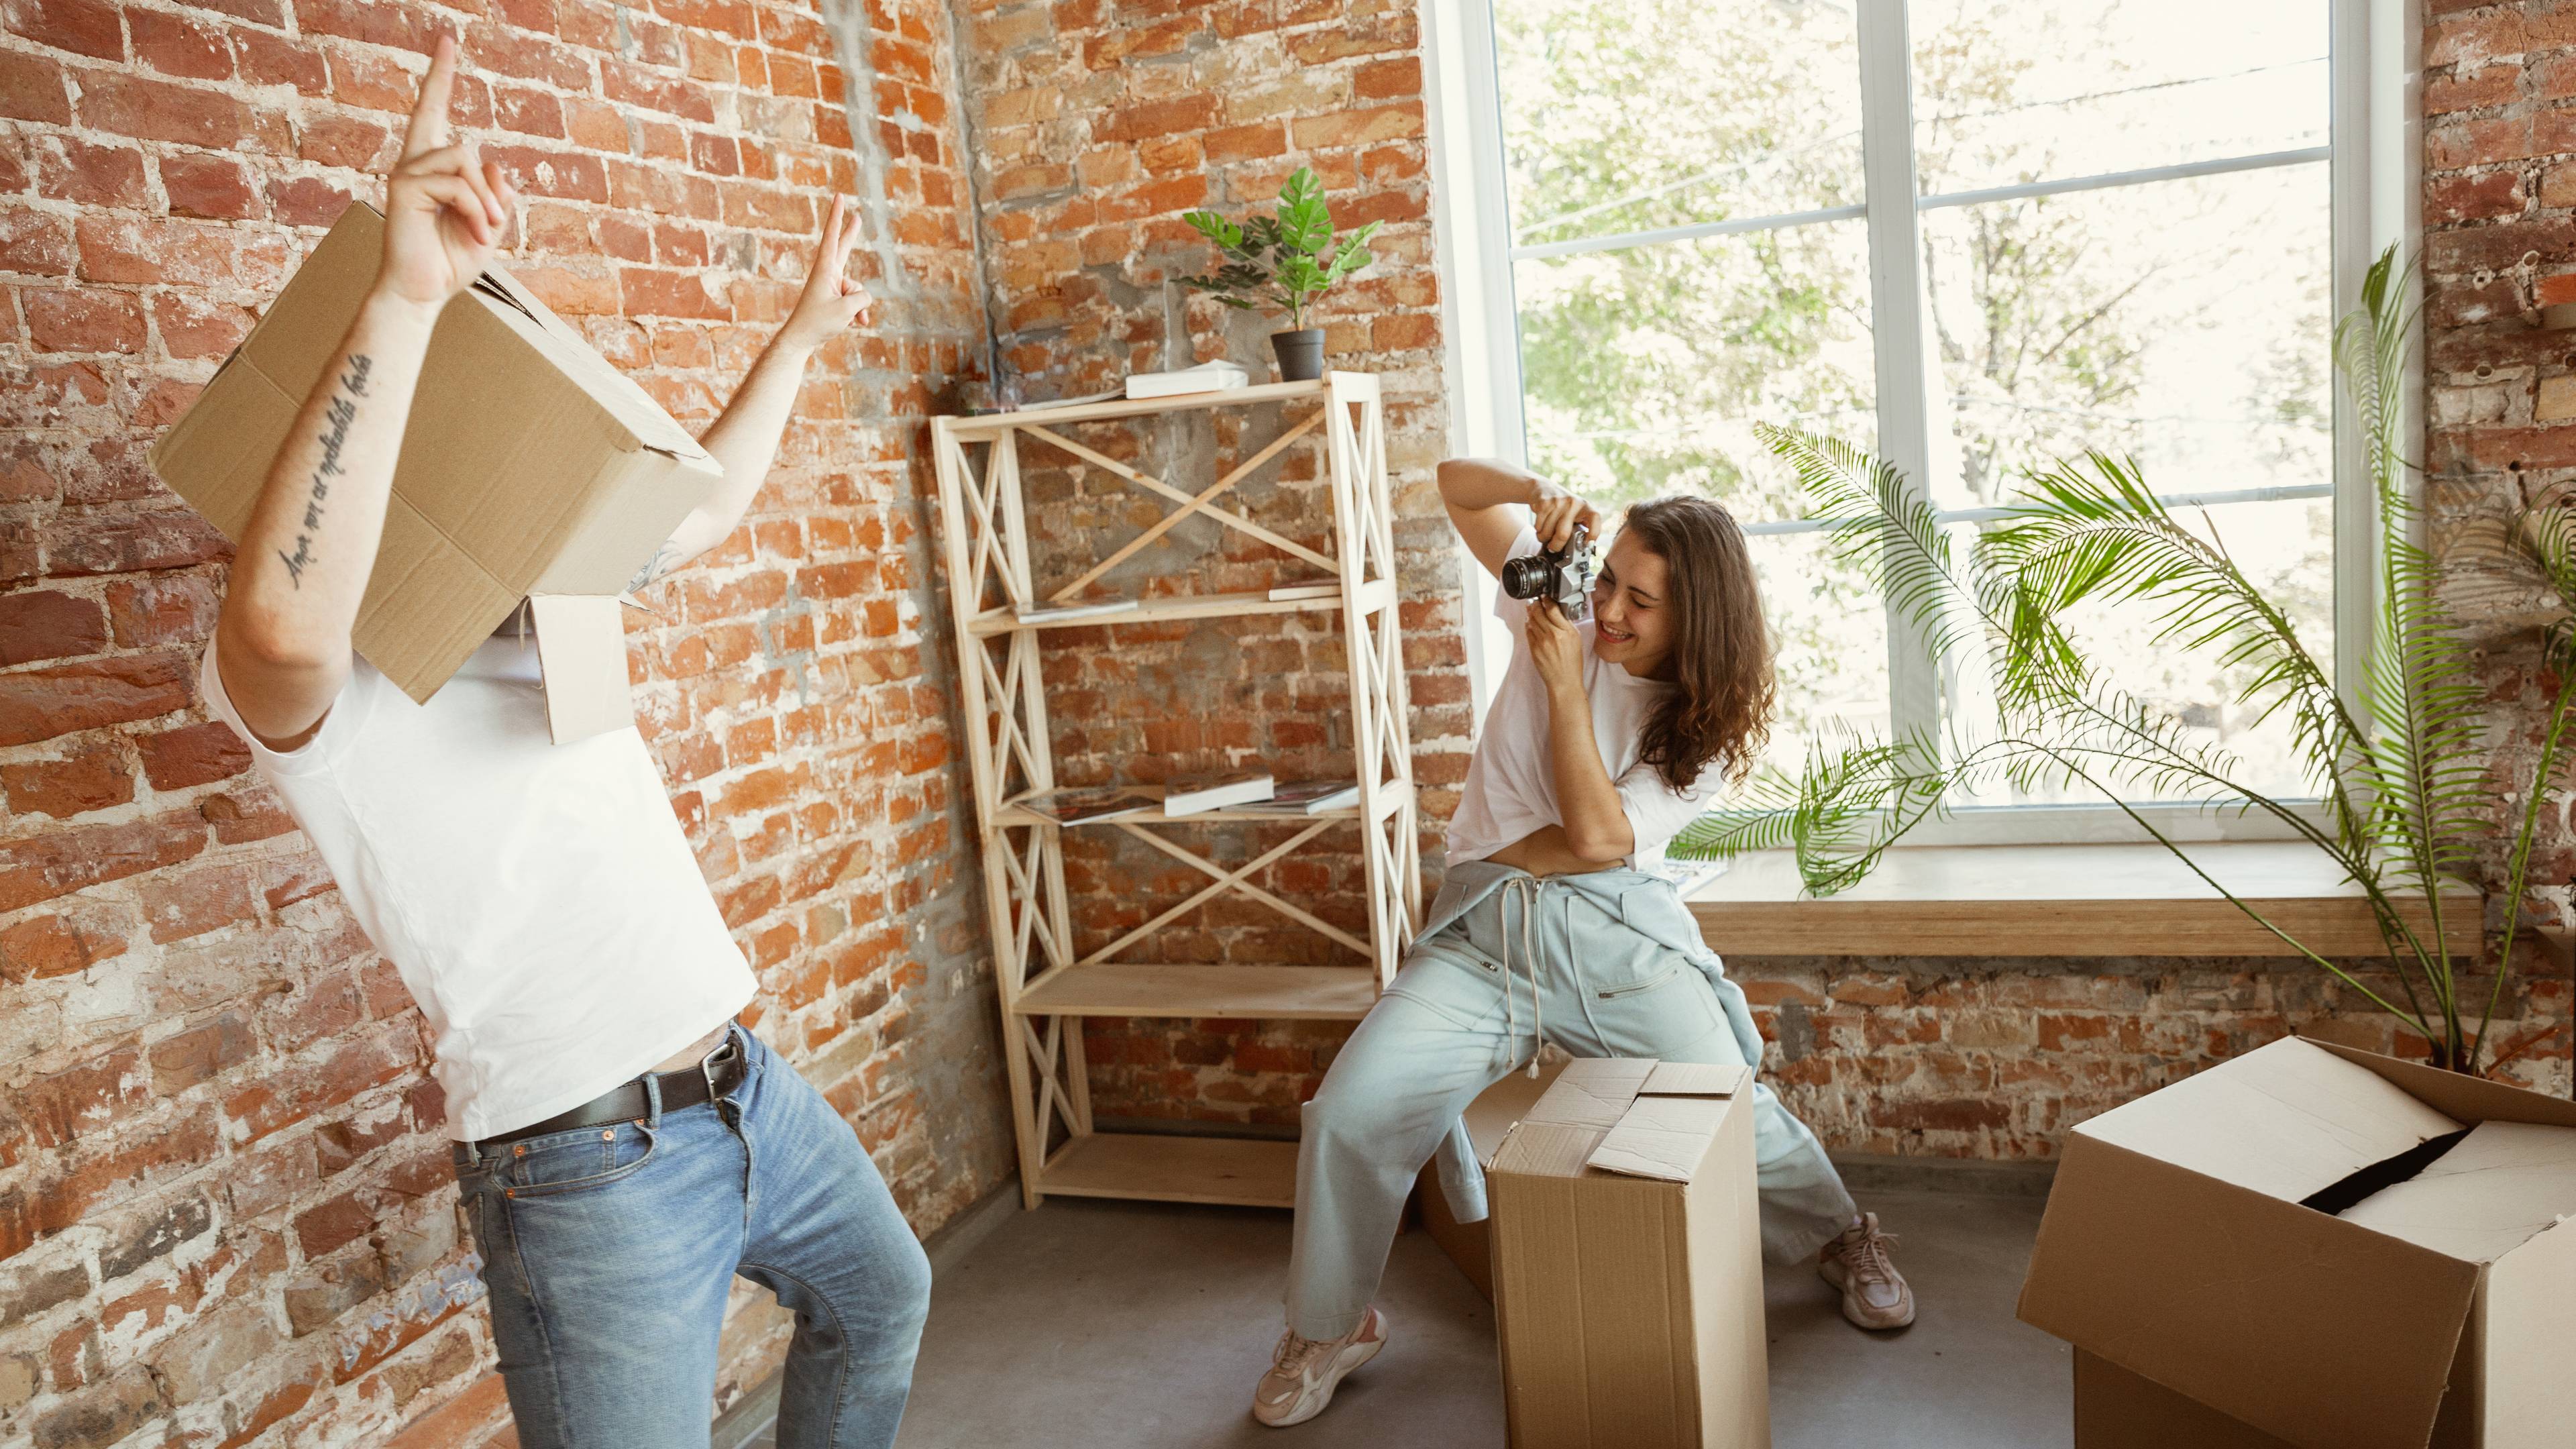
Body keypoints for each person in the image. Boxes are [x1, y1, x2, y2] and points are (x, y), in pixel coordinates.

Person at [197, 36, 930, 1449]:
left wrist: (796, 335)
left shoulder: (537, 589)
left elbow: (702, 511)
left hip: (743, 1091)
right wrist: (406, 299)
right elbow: (286, 623)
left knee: (881, 1295)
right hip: (586, 1168)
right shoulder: (300, 677)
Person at [1250, 458, 1915, 1428]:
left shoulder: (1700, 734)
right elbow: (1455, 488)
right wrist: (1534, 487)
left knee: (1727, 1100)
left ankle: (1842, 1236)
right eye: (1610, 580)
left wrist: (1563, 696)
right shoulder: (1555, 599)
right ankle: (1330, 1325)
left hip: (1618, 944)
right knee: (1349, 1112)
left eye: (1641, 603)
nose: (1608, 610)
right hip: (1484, 935)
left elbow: (1600, 841)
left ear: (1696, 623)